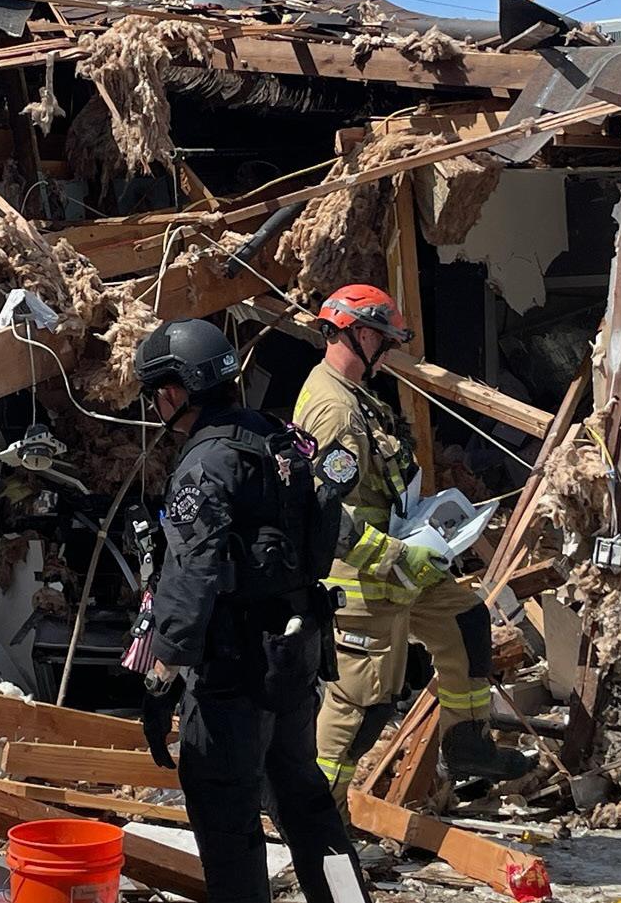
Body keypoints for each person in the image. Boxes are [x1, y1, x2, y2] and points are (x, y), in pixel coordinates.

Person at [135, 318, 366, 903]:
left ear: (175, 391)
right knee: (306, 802)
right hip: (294, 659)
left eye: (156, 393)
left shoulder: (207, 462)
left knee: (225, 813)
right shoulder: (279, 438)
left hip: (232, 670)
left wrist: (161, 675)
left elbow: (192, 573)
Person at [295, 284, 530, 812]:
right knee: (362, 708)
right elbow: (325, 516)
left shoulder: (358, 395)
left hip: (400, 567)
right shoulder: (333, 410)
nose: (389, 351)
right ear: (359, 334)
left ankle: (467, 744)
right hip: (365, 579)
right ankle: (315, 816)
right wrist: (399, 557)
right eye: (385, 339)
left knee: (465, 621)